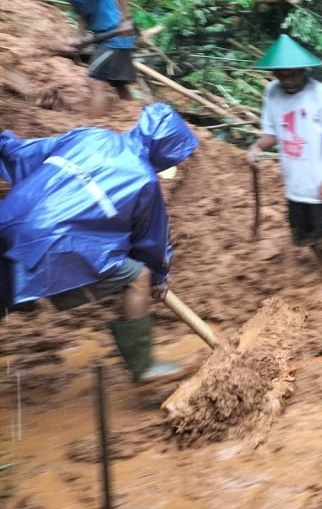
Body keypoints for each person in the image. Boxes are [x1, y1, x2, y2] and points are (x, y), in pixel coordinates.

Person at [0, 103, 196, 383]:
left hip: (7, 220)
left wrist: (4, 143)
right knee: (138, 277)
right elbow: (151, 241)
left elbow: (28, 152)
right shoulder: (145, 180)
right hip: (54, 248)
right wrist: (158, 277)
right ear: (166, 151)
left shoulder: (91, 135)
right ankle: (144, 367)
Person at [247, 35, 322, 298]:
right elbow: (271, 134)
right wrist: (257, 148)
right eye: (281, 76)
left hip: (321, 176)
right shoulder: (272, 93)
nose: (287, 81)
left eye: (292, 75)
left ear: (304, 71)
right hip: (295, 179)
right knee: (307, 232)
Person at [8, 0, 137, 115]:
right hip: (105, 36)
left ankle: (95, 125)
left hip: (115, 36)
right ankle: (135, 118)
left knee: (95, 82)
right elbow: (82, 9)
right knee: (119, 85)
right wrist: (79, 36)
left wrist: (126, 18)